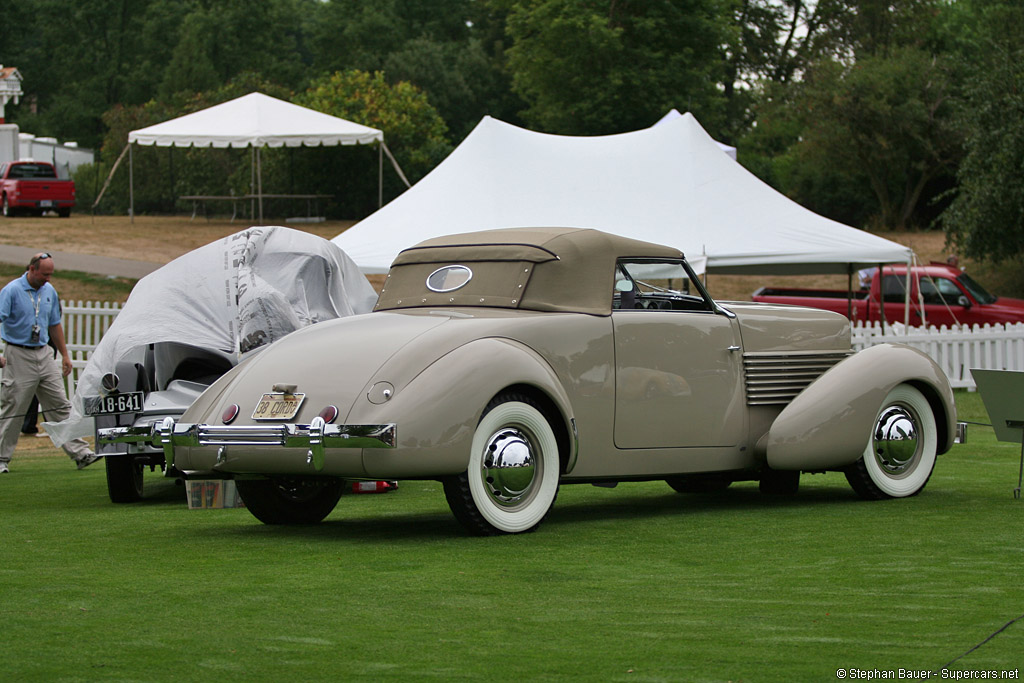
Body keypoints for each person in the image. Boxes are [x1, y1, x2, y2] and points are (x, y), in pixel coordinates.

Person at [0, 252, 98, 473]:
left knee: (60, 404)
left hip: (44, 353)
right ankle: (1, 458)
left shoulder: (49, 291)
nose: (48, 278)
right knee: (13, 406)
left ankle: (80, 453)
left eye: (51, 274)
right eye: (45, 274)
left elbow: (54, 324)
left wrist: (64, 354)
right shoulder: (12, 290)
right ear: (32, 269)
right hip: (18, 352)